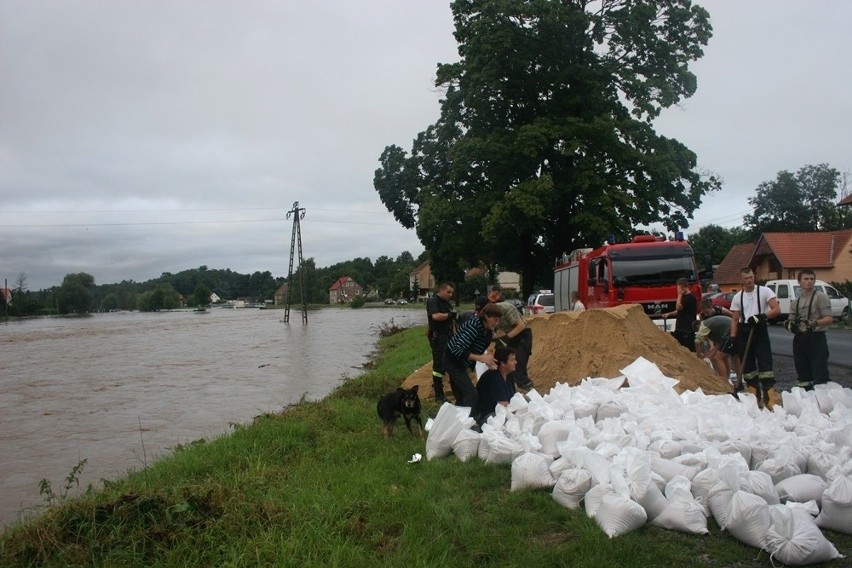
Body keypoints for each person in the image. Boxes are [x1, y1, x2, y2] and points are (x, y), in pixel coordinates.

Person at [729, 267, 781, 409]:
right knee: (748, 367)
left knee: (765, 365)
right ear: (742, 279)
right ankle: (754, 399)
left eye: (751, 277)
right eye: (746, 278)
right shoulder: (738, 297)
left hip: (759, 329)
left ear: (754, 277)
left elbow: (776, 309)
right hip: (744, 330)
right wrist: (733, 338)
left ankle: (769, 400)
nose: (749, 281)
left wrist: (762, 316)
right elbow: (734, 319)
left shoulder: (765, 291)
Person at [443, 302, 502, 407]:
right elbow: (458, 348)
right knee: (471, 394)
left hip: (460, 363)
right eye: (495, 320)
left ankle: (459, 418)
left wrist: (486, 360)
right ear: (486, 316)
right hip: (452, 361)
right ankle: (469, 420)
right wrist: (480, 358)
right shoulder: (474, 326)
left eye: (498, 320)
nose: (496, 323)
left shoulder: (487, 329)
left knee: (461, 396)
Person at [786, 269, 833, 390]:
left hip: (816, 337)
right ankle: (807, 399)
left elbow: (829, 318)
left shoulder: (821, 297)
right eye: (806, 279)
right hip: (800, 338)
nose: (809, 281)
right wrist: (789, 325)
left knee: (819, 370)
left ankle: (821, 400)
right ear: (799, 282)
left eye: (812, 279)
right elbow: (790, 319)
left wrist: (815, 323)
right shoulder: (796, 302)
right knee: (802, 371)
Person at [488, 286, 534, 390]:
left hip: (523, 334)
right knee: (508, 362)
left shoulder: (506, 308)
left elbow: (521, 325)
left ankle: (527, 387)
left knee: (519, 361)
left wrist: (506, 338)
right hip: (511, 336)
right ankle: (511, 386)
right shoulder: (488, 315)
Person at [470, 346, 517, 426]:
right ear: (502, 363)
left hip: (500, 411)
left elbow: (513, 397)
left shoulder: (509, 375)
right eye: (512, 360)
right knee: (509, 420)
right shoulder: (494, 377)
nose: (516, 362)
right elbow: (503, 406)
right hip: (486, 415)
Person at [426, 282, 456, 402]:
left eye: (452, 292)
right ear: (441, 290)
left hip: (448, 336)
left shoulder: (447, 303)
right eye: (448, 292)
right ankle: (439, 395)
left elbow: (451, 321)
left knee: (452, 361)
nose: (451, 295)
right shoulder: (433, 301)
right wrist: (450, 315)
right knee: (439, 365)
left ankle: (454, 390)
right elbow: (436, 316)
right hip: (438, 337)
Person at [693, 314, 740, 380]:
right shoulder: (713, 328)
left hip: (730, 331)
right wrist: (709, 356)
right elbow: (718, 346)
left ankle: (724, 381)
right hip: (735, 329)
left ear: (698, 326)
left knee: (718, 358)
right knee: (730, 357)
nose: (704, 337)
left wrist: (699, 355)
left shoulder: (703, 326)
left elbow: (697, 342)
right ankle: (736, 380)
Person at [664, 277, 697, 352]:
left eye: (678, 288)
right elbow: (680, 311)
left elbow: (678, 307)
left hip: (687, 328)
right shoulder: (683, 297)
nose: (677, 290)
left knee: (688, 350)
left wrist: (679, 295)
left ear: (682, 287)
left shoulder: (690, 297)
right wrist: (669, 314)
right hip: (680, 328)